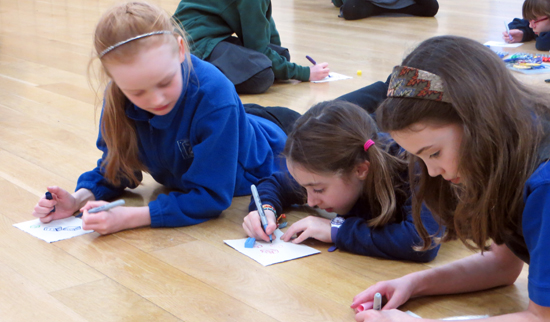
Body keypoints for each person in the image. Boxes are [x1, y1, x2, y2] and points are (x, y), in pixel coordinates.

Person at [351, 35, 550, 322]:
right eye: (421, 158)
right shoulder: (511, 141)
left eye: (435, 153)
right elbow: (502, 265)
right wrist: (416, 284)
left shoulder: (544, 182)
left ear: (476, 120)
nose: (431, 172)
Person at [32, 1, 300, 235]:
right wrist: (78, 199)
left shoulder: (216, 95)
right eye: (137, 92)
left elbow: (210, 197)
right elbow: (118, 169)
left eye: (165, 81)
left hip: (280, 138)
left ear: (181, 49)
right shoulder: (118, 96)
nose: (156, 100)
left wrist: (133, 217)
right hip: (235, 119)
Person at [243, 100, 441, 262]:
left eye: (318, 190)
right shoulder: (328, 169)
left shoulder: (420, 169)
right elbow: (275, 184)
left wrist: (336, 231)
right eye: (306, 188)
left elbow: (421, 242)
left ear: (361, 170)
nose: (311, 201)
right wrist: (265, 210)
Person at [173, 0, 329, 94]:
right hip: (193, 45)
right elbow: (259, 49)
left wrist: (279, 60)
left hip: (210, 37)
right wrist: (305, 73)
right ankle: (195, 78)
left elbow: (264, 25)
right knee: (262, 76)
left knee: (280, 56)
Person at [332, 0, 439, 21]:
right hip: (372, 3)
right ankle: (378, 9)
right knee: (350, 10)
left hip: (402, 2)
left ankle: (393, 9)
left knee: (431, 7)